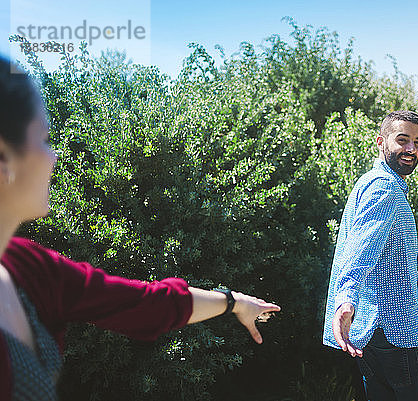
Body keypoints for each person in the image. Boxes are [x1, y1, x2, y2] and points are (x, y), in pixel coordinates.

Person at [0, 55, 281, 401]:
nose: (54, 157)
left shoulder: (27, 268)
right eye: (43, 139)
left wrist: (234, 302)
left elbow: (145, 305)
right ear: (3, 158)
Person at [322, 111, 418, 400]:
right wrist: (345, 299)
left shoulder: (375, 181)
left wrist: (412, 275)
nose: (412, 149)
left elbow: (379, 245)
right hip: (396, 330)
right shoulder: (385, 188)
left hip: (374, 329)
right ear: (381, 142)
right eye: (403, 140)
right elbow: (360, 250)